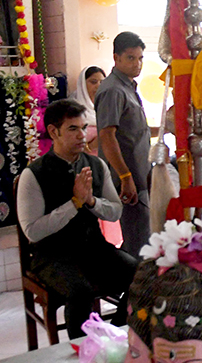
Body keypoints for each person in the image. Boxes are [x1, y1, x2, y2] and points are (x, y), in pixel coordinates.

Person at [16, 99, 137, 339]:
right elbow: (33, 231)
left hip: (94, 248)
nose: (82, 135)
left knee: (141, 276)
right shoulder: (34, 174)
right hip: (52, 256)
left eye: (83, 127)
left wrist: (91, 202)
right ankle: (82, 350)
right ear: (54, 132)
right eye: (73, 129)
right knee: (80, 291)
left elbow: (115, 211)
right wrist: (74, 203)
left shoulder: (96, 165)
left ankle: (116, 335)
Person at [96, 31, 151, 258]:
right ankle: (135, 280)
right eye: (130, 58)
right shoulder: (113, 90)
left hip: (139, 173)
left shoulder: (128, 86)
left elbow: (134, 131)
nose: (137, 64)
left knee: (144, 234)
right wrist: (125, 177)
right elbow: (107, 136)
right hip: (128, 176)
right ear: (116, 58)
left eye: (140, 58)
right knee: (137, 240)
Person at [72, 66, 124, 248]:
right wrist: (97, 142)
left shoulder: (107, 108)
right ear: (83, 84)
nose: (98, 86)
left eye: (102, 82)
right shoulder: (75, 111)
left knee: (111, 206)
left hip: (108, 166)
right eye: (93, 82)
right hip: (86, 168)